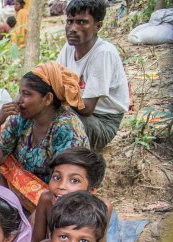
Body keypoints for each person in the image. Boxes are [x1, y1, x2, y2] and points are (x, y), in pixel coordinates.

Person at [0, 61, 89, 211]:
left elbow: (65, 182)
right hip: (24, 192)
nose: (19, 100)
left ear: (47, 99)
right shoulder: (20, 119)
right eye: (20, 92)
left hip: (55, 197)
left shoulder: (67, 128)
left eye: (27, 94)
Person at [58, 0, 129, 151]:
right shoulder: (69, 48)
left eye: (82, 22)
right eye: (70, 21)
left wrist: (56, 97)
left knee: (55, 114)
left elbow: (86, 108)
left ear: (98, 26)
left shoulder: (103, 53)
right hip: (78, 112)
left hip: (103, 122)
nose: (73, 28)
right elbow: (53, 78)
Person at [31, 147, 111, 242]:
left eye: (74, 180)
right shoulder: (46, 200)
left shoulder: (103, 208)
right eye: (57, 177)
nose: (61, 186)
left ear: (91, 191)